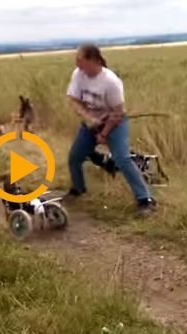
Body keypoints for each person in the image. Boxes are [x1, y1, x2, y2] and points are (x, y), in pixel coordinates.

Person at [64, 43, 157, 217]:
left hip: (115, 123)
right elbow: (73, 100)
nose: (76, 63)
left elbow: (118, 113)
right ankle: (78, 189)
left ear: (93, 60)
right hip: (90, 124)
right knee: (74, 157)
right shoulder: (78, 75)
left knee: (122, 159)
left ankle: (146, 200)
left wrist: (104, 133)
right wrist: (89, 118)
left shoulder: (111, 82)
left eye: (80, 59)